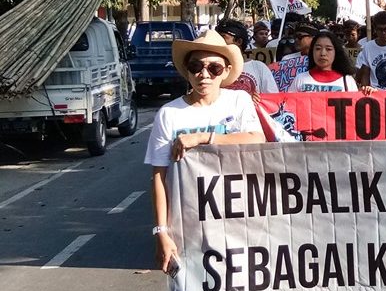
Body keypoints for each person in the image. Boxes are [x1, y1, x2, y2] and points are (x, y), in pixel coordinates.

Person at [145, 30, 266, 275]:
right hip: (189, 227)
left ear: (227, 70)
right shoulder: (169, 114)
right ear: (187, 70)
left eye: (214, 68)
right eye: (196, 66)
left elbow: (257, 139)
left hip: (239, 220)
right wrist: (161, 232)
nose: (204, 75)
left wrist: (204, 138)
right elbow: (159, 177)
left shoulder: (239, 101)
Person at [290, 31, 373, 93]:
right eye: (318, 48)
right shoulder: (300, 79)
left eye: (328, 49)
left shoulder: (347, 81)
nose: (323, 53)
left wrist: (367, 93)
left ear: (335, 52)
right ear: (312, 52)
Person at [214, 19, 279, 98]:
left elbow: (273, 100)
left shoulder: (259, 68)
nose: (218, 41)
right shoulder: (212, 68)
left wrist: (256, 100)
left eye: (223, 37)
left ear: (239, 41)